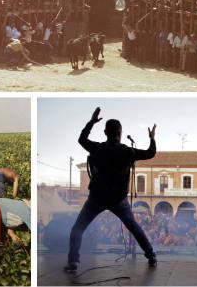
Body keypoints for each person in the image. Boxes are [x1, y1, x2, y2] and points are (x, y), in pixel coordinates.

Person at [65, 107, 158, 273]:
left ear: (105, 132)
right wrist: (152, 138)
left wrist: (91, 122)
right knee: (134, 228)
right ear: (120, 133)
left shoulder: (97, 148)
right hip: (118, 200)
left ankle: (72, 262)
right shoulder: (128, 152)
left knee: (77, 229)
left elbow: (81, 139)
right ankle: (151, 256)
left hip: (96, 198)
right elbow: (151, 153)